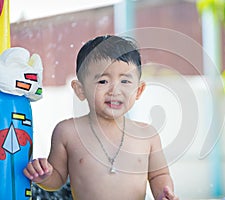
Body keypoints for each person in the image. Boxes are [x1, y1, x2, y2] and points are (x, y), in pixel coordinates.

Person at [23, 35, 178, 200]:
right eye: (103, 81)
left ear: (138, 90)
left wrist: (163, 193)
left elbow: (158, 175)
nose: (115, 90)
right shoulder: (68, 132)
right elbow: (57, 179)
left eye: (125, 81)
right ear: (80, 90)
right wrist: (44, 176)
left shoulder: (147, 135)